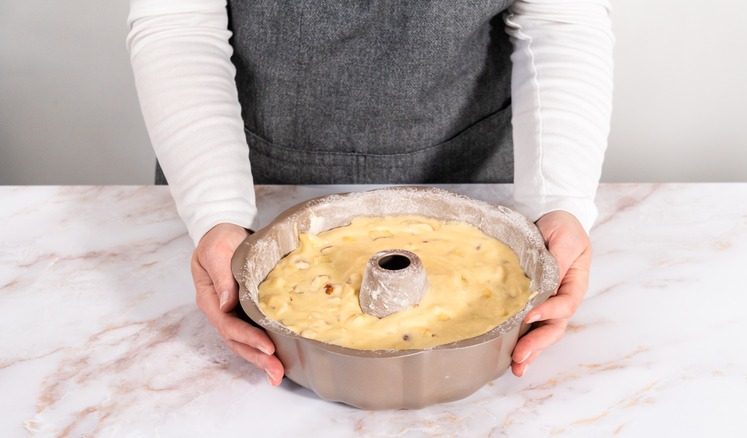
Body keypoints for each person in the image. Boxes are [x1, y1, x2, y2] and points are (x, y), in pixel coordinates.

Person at [127, 0, 614, 386]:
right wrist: (215, 211)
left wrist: (559, 200)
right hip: (246, 175)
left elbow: (561, 20)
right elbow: (179, 24)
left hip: (470, 174)